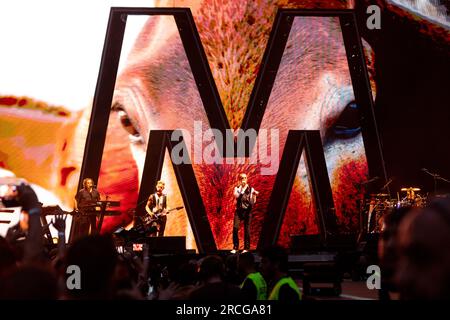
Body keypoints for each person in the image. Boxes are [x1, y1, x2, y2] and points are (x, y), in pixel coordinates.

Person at [232, 173, 258, 254]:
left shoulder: (251, 189)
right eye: (242, 178)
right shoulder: (237, 188)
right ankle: (235, 247)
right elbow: (237, 196)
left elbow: (253, 202)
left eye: (245, 178)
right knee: (235, 228)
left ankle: (246, 248)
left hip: (247, 211)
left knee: (247, 230)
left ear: (247, 179)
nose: (244, 179)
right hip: (239, 211)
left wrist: (254, 195)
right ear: (239, 179)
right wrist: (242, 188)